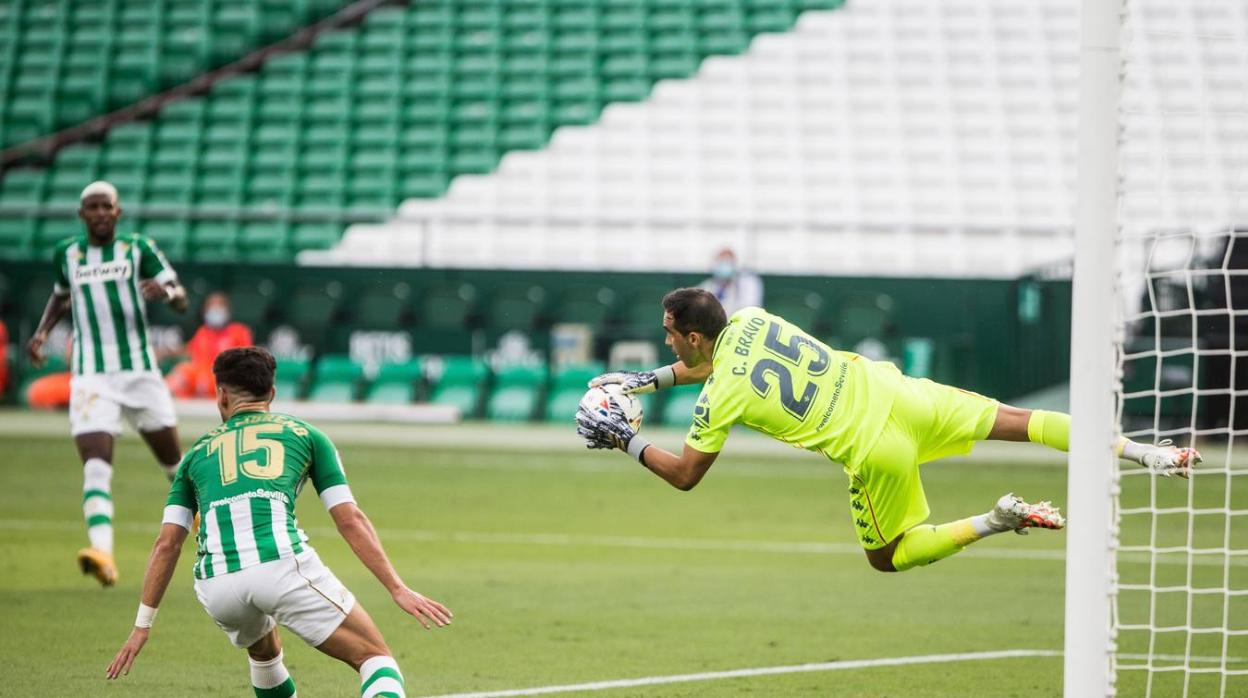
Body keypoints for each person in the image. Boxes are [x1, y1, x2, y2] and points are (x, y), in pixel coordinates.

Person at [577, 288, 1201, 573]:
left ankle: (998, 519)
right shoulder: (753, 318)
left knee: (888, 556)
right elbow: (718, 359)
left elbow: (686, 475)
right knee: (1026, 422)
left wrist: (624, 439)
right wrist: (644, 381)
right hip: (899, 393)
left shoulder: (718, 396)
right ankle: (1142, 452)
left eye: (669, 333)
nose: (665, 341)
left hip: (875, 449)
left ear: (690, 334)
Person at [106, 346, 452, 697]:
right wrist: (397, 588)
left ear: (221, 394)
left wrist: (142, 626)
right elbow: (350, 520)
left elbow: (167, 543)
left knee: (264, 652)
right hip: (278, 565)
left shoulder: (194, 455)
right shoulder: (307, 436)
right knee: (376, 659)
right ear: (271, 393)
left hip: (216, 584)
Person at [25, 181, 189, 587]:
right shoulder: (67, 253)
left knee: (175, 466)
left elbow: (182, 296)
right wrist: (43, 332)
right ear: (82, 215)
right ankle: (103, 553)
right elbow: (62, 296)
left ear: (118, 212)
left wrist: (165, 292)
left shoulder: (138, 249)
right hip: (92, 375)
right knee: (96, 466)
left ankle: (212, 528)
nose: (100, 213)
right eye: (92, 207)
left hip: (140, 371)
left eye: (106, 206)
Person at [167, 291, 254, 398]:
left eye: (219, 305)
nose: (215, 308)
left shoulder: (239, 331)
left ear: (227, 310)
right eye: (211, 305)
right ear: (204, 311)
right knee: (182, 371)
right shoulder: (203, 332)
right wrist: (166, 352)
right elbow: (188, 352)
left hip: (227, 380)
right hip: (202, 378)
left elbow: (248, 362)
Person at [698, 248, 763, 316]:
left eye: (727, 261)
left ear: (734, 264)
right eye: (721, 261)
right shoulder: (708, 285)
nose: (723, 266)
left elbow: (750, 309)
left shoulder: (747, 284)